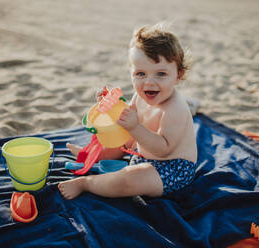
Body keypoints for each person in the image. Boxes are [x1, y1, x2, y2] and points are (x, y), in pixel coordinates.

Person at [58, 23, 197, 200]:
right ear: (131, 73)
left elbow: (163, 150)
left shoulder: (175, 108)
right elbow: (124, 124)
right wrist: (109, 107)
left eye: (160, 74)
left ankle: (86, 183)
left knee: (131, 179)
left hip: (173, 168)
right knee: (121, 141)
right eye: (140, 74)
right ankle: (92, 156)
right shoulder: (140, 97)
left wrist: (135, 128)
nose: (149, 82)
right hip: (142, 154)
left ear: (178, 75)